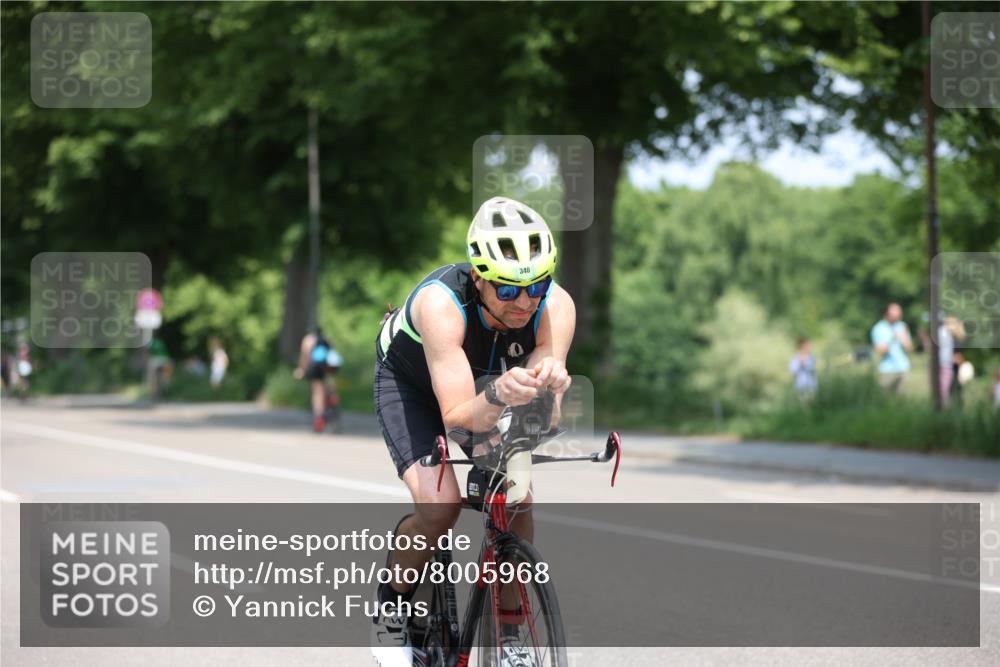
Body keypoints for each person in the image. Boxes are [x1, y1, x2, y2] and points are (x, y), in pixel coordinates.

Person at [370, 197, 574, 667]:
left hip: (488, 382)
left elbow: (548, 418)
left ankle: (510, 636)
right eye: (506, 290)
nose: (524, 302)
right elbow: (459, 415)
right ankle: (391, 610)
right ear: (479, 278)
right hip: (416, 385)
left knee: (517, 497)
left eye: (535, 286)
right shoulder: (440, 305)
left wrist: (547, 396)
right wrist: (501, 395)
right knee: (439, 508)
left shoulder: (556, 306)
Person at [293, 326, 342, 432]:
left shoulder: (307, 340)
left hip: (315, 368)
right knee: (328, 387)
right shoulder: (327, 339)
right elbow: (331, 355)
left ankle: (319, 419)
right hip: (327, 368)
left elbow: (305, 357)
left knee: (317, 392)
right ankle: (332, 399)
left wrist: (301, 369)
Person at [870, 303, 912, 393]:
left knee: (902, 401)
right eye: (895, 312)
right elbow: (880, 352)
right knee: (886, 400)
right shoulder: (878, 329)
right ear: (887, 313)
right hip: (887, 370)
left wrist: (905, 340)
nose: (899, 315)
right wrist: (894, 338)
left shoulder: (902, 326)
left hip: (903, 368)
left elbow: (909, 349)